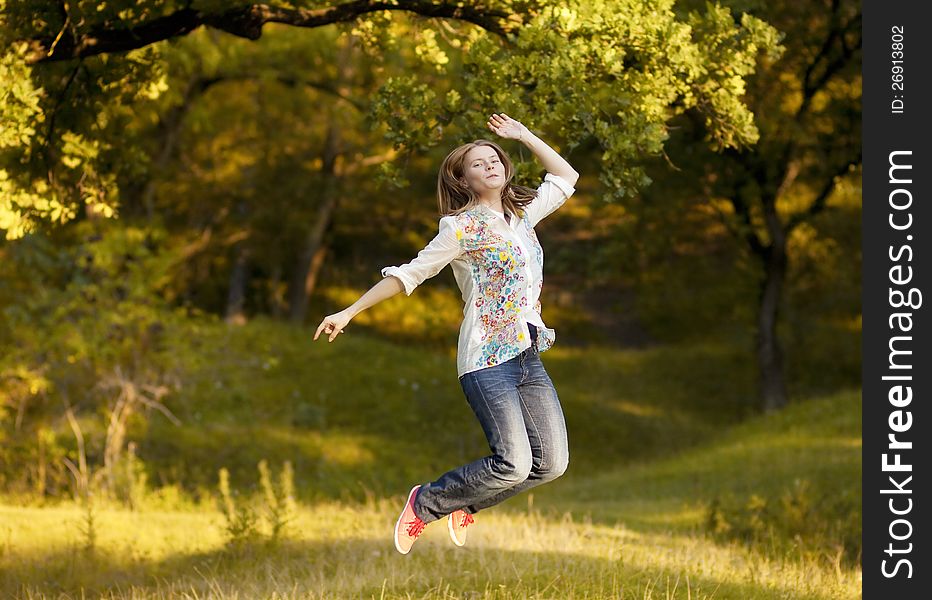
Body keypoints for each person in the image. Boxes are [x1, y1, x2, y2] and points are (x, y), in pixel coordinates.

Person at [314, 113, 580, 555]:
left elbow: (566, 176)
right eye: (478, 163)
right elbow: (408, 275)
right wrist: (350, 310)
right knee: (514, 464)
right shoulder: (459, 228)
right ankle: (428, 501)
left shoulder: (522, 216)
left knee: (551, 464)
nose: (490, 164)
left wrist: (523, 135)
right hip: (485, 360)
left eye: (494, 158)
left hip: (528, 354)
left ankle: (466, 503)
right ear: (463, 179)